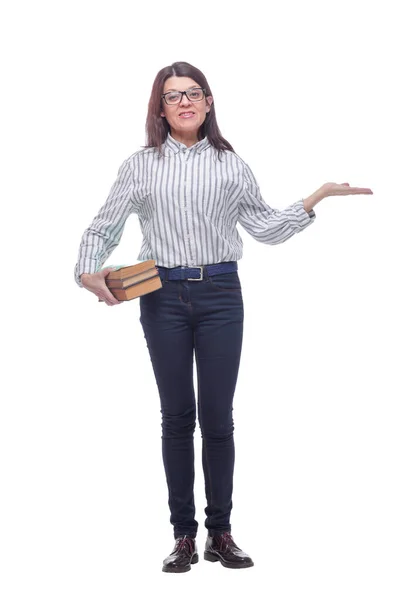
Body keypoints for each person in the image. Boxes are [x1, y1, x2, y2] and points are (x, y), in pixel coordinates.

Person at [74, 61, 373, 573]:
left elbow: (267, 228)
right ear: (160, 108)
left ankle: (221, 532)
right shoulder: (139, 165)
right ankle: (183, 537)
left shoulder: (231, 165)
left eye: (193, 93)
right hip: (161, 295)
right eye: (173, 96)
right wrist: (87, 271)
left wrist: (317, 197)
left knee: (217, 418)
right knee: (175, 418)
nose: (184, 102)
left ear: (209, 102)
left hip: (220, 295)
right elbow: (104, 225)